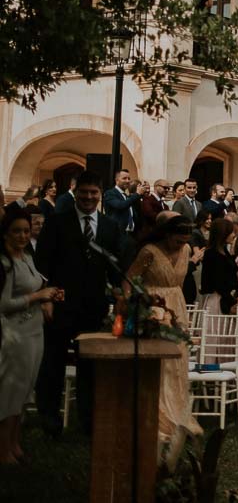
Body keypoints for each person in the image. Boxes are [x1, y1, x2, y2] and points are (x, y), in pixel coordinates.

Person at [33, 171, 122, 435]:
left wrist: (120, 293)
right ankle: (49, 418)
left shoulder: (108, 226)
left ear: (100, 194)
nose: (88, 197)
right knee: (53, 362)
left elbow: (115, 266)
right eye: (83, 192)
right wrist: (46, 296)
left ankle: (88, 421)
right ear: (75, 192)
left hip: (93, 306)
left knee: (90, 366)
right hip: (60, 303)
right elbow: (43, 263)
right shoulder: (57, 222)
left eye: (93, 192)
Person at [125, 213, 202, 441]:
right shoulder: (149, 251)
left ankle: (178, 415)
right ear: (167, 234)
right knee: (159, 364)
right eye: (178, 241)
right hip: (153, 305)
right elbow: (130, 279)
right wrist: (133, 306)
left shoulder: (186, 250)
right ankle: (157, 418)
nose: (181, 245)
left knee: (178, 362)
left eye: (185, 241)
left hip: (177, 306)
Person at [1, 209, 57, 463]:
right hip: (15, 333)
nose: (23, 235)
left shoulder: (27, 258)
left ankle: (14, 441)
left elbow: (38, 284)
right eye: (17, 231)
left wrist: (49, 297)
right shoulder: (5, 263)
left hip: (35, 330)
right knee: (11, 390)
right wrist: (36, 298)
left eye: (26, 230)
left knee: (25, 389)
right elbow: (4, 304)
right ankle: (3, 448)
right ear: (5, 233)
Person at [200, 218, 238, 318]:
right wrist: (232, 300)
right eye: (231, 232)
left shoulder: (225, 253)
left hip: (225, 298)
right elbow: (217, 282)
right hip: (216, 300)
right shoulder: (212, 254)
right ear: (223, 233)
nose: (234, 235)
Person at [103, 169, 146, 247]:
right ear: (116, 180)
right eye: (124, 178)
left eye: (129, 178)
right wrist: (137, 194)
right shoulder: (110, 193)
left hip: (131, 235)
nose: (127, 181)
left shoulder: (126, 196)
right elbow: (120, 206)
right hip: (117, 235)